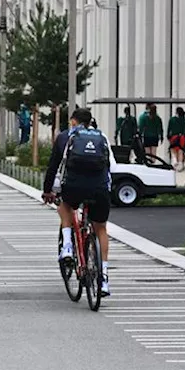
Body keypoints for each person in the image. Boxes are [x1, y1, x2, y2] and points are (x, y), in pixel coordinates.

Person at [42, 108, 114, 296]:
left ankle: (67, 246)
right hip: (99, 188)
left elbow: (53, 166)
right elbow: (110, 166)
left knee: (65, 206)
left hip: (74, 187)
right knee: (101, 229)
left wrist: (47, 190)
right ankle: (104, 278)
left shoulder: (66, 136)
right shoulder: (102, 137)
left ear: (73, 121)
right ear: (90, 122)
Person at [167, 107, 185, 171]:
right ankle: (180, 166)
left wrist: (168, 137)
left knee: (173, 151)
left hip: (174, 137)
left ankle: (174, 163)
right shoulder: (184, 120)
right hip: (182, 138)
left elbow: (169, 129)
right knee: (181, 151)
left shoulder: (172, 120)